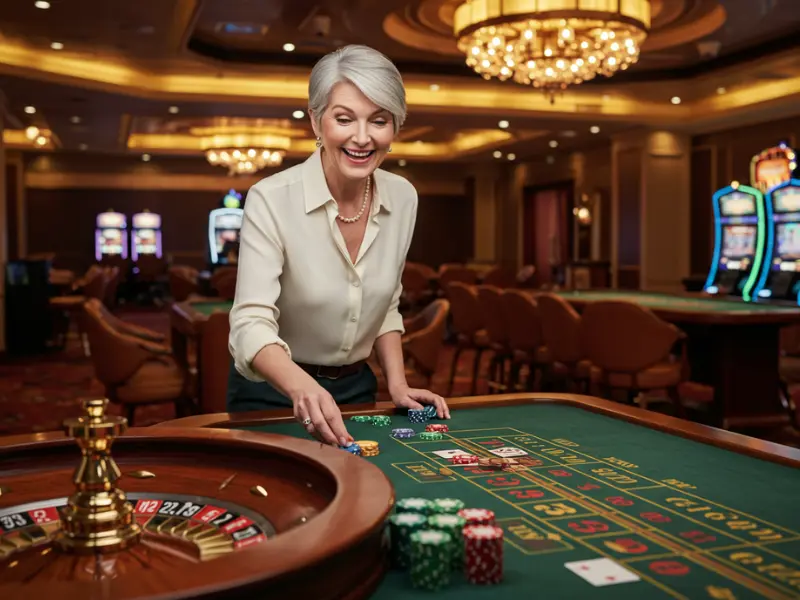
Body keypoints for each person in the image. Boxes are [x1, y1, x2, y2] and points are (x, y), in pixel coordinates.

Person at [227, 45, 450, 446]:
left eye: (379, 120)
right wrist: (300, 386)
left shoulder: (403, 197)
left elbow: (386, 304)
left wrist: (397, 385)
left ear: (395, 127)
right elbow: (249, 325)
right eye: (344, 118)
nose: (362, 138)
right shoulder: (271, 197)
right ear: (316, 121)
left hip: (355, 392)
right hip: (273, 394)